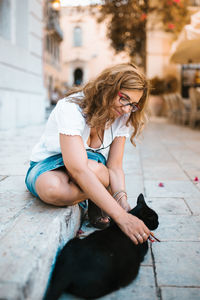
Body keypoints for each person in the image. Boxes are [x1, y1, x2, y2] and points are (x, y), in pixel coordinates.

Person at [25, 63, 150, 245]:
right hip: (48, 164)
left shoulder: (124, 116)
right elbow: (78, 170)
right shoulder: (71, 107)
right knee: (52, 188)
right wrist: (120, 216)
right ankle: (96, 196)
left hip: (90, 163)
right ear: (108, 87)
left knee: (98, 171)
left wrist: (122, 202)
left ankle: (98, 196)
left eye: (133, 105)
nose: (126, 109)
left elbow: (114, 167)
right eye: (124, 99)